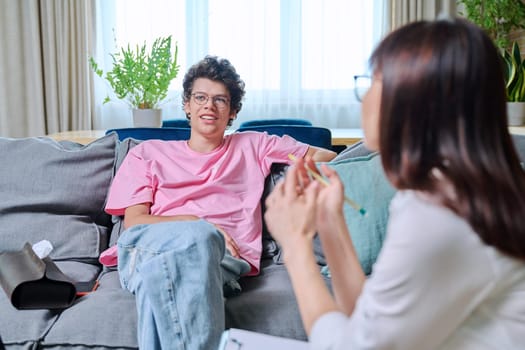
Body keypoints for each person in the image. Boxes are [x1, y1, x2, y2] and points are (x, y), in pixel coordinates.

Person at [264, 18, 525, 349]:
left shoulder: (439, 212)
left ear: (413, 100)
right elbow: (370, 320)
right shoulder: (458, 190)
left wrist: (294, 245)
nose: (366, 96)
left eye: (374, 80)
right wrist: (330, 220)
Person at [104, 55, 336, 350]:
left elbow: (325, 157)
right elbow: (134, 224)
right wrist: (200, 226)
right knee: (197, 241)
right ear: (186, 105)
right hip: (149, 247)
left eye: (220, 100)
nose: (208, 106)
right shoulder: (146, 154)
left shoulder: (254, 145)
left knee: (171, 271)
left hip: (219, 259)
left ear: (233, 111)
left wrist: (307, 174)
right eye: (200, 97)